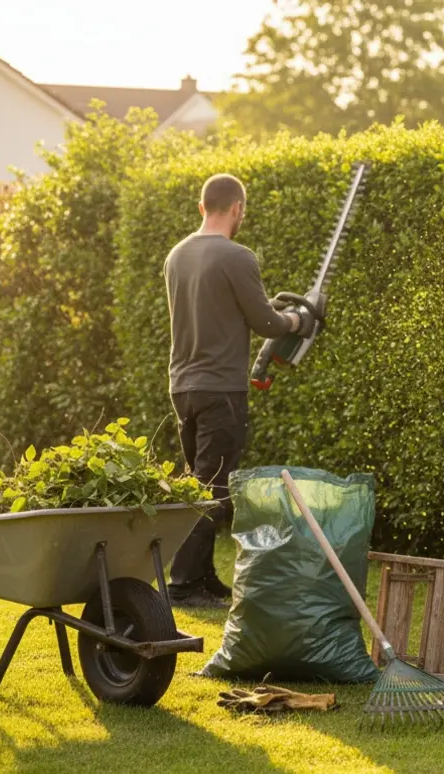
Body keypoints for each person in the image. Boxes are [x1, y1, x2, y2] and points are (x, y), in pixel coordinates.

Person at [162, 173, 323, 608]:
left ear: (202, 207)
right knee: (210, 489)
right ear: (237, 209)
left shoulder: (177, 255)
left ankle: (201, 576)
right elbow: (266, 324)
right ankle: (182, 586)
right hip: (221, 390)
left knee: (199, 481)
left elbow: (219, 311)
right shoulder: (238, 256)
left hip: (184, 386)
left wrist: (268, 309)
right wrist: (297, 322)